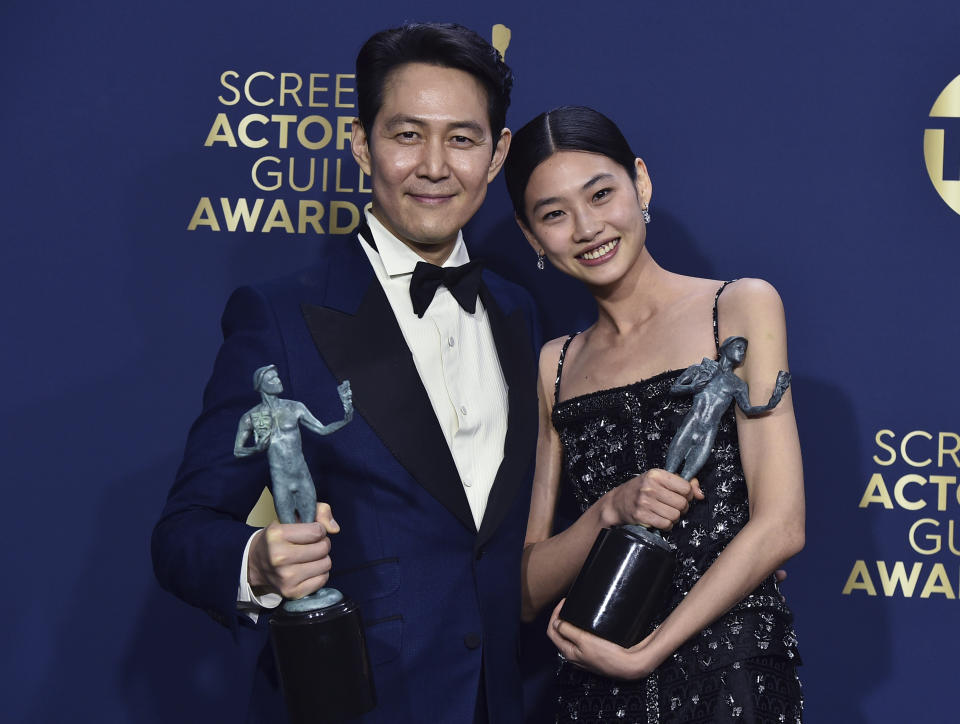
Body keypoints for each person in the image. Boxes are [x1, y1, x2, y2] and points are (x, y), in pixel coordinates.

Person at [152, 23, 540, 724]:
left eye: (461, 138)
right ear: (361, 145)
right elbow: (183, 532)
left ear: (496, 153)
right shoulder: (278, 317)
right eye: (406, 135)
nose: (433, 165)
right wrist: (256, 561)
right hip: (354, 704)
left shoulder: (520, 313)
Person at [505, 106, 805, 723]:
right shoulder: (553, 366)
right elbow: (526, 592)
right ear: (531, 236)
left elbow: (781, 527)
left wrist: (649, 653)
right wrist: (607, 511)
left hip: (732, 671)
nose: (587, 227)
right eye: (554, 214)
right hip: (596, 684)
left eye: (601, 194)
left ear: (640, 183)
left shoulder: (740, 308)